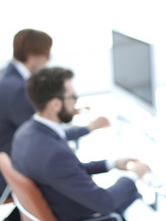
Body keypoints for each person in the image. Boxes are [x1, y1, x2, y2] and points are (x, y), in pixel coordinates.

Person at [11, 67, 151, 220]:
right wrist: (133, 175)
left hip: (61, 201)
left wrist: (111, 163)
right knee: (132, 195)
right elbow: (106, 202)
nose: (75, 102)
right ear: (55, 104)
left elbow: (67, 171)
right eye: (72, 97)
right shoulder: (54, 154)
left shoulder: (25, 133)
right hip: (82, 215)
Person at [0, 29, 109, 204]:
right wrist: (88, 128)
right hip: (13, 170)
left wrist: (66, 109)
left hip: (16, 156)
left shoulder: (8, 74)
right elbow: (42, 132)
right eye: (46, 55)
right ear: (32, 55)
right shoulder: (17, 89)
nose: (48, 60)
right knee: (86, 191)